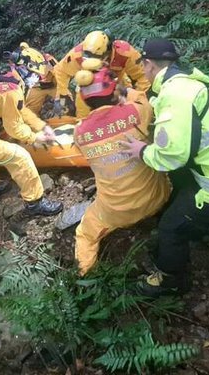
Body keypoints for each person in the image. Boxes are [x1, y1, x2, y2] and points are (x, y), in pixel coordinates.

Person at [119, 38, 209, 297]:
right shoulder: (189, 83)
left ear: (149, 64)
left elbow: (172, 156)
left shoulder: (174, 95)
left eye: (143, 66)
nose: (142, 70)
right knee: (180, 177)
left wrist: (141, 151)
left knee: (170, 228)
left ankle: (170, 280)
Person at [72, 68, 171, 275]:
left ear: (83, 98)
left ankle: (86, 279)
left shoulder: (80, 132)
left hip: (116, 212)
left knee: (85, 234)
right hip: (157, 197)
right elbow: (143, 98)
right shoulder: (137, 111)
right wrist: (124, 91)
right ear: (114, 91)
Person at [0, 62, 64, 217]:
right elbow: (13, 128)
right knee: (19, 156)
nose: (38, 79)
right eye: (35, 75)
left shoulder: (9, 81)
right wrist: (35, 138)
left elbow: (21, 110)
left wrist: (42, 126)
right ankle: (34, 203)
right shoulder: (11, 90)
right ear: (25, 71)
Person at [53, 30, 150, 118]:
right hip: (87, 93)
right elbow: (61, 70)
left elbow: (142, 76)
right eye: (89, 57)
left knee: (122, 120)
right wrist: (63, 94)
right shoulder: (77, 55)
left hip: (117, 90)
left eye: (96, 57)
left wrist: (139, 99)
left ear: (109, 50)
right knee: (85, 121)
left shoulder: (125, 53)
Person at [10, 42, 59, 117]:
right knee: (29, 111)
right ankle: (34, 123)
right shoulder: (19, 68)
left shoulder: (48, 59)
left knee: (64, 102)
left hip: (55, 84)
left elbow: (60, 74)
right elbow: (20, 84)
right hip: (38, 86)